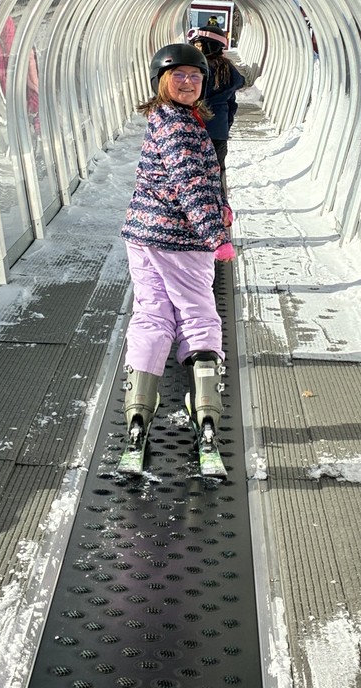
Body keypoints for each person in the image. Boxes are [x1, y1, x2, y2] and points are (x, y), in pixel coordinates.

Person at [120, 43, 235, 454]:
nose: (188, 82)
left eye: (195, 76)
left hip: (143, 234)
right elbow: (189, 183)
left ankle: (138, 408)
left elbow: (179, 179)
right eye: (179, 75)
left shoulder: (166, 118)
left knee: (151, 314)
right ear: (161, 81)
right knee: (198, 313)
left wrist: (220, 205)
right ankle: (205, 410)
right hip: (181, 240)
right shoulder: (180, 126)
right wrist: (215, 236)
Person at [187, 25, 246, 193]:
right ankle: (221, 206)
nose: (196, 49)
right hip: (218, 133)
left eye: (199, 45)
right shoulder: (226, 69)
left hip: (195, 130)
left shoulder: (197, 69)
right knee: (218, 170)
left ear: (208, 45)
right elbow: (232, 105)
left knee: (193, 172)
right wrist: (225, 125)